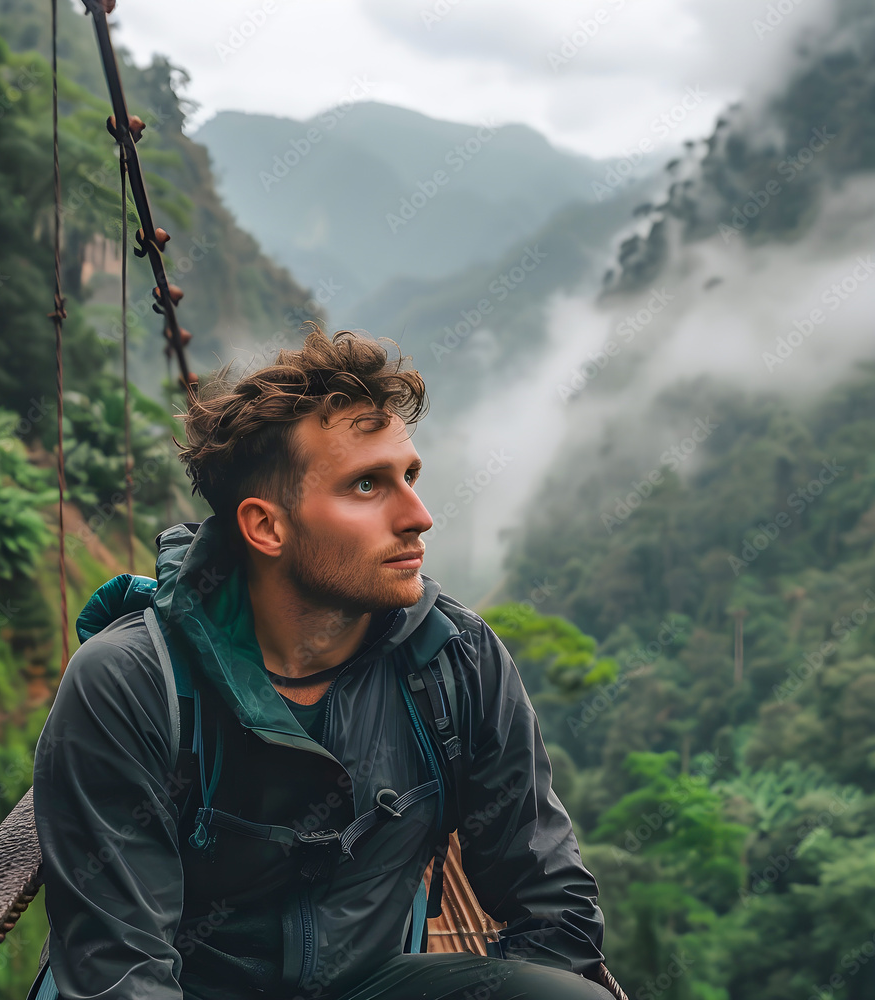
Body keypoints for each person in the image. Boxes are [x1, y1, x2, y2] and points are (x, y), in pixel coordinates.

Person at [32, 323, 612, 1000]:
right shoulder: (132, 684)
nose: (420, 515)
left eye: (410, 477)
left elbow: (551, 901)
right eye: (368, 486)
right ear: (266, 526)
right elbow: (119, 974)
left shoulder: (455, 660)